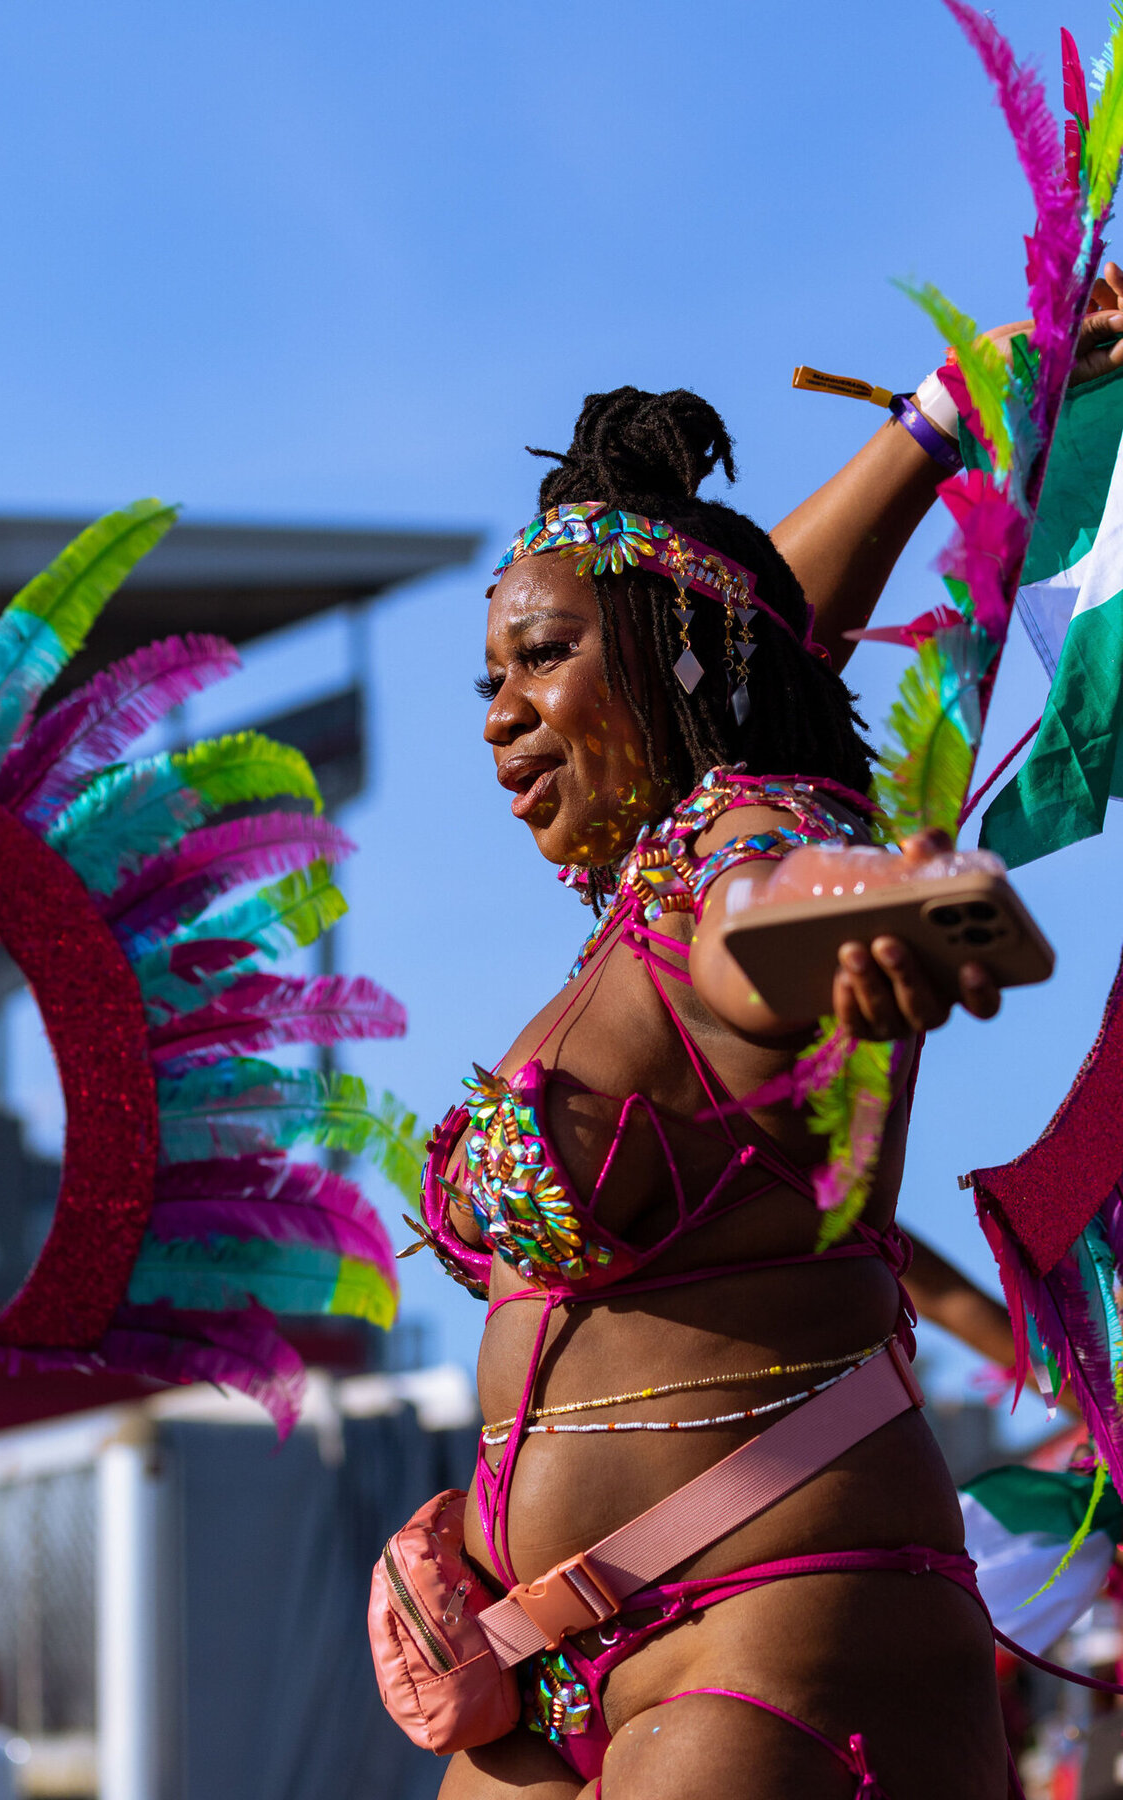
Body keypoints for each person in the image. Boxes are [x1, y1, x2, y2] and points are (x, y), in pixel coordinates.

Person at [404, 276, 1123, 1800]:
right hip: (548, 1674)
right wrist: (943, 418)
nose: (497, 714)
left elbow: (789, 906)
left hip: (776, 1639)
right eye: (489, 676)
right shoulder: (629, 906)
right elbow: (742, 620)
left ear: (669, 660)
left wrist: (902, 915)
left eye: (539, 660)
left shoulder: (742, 854)